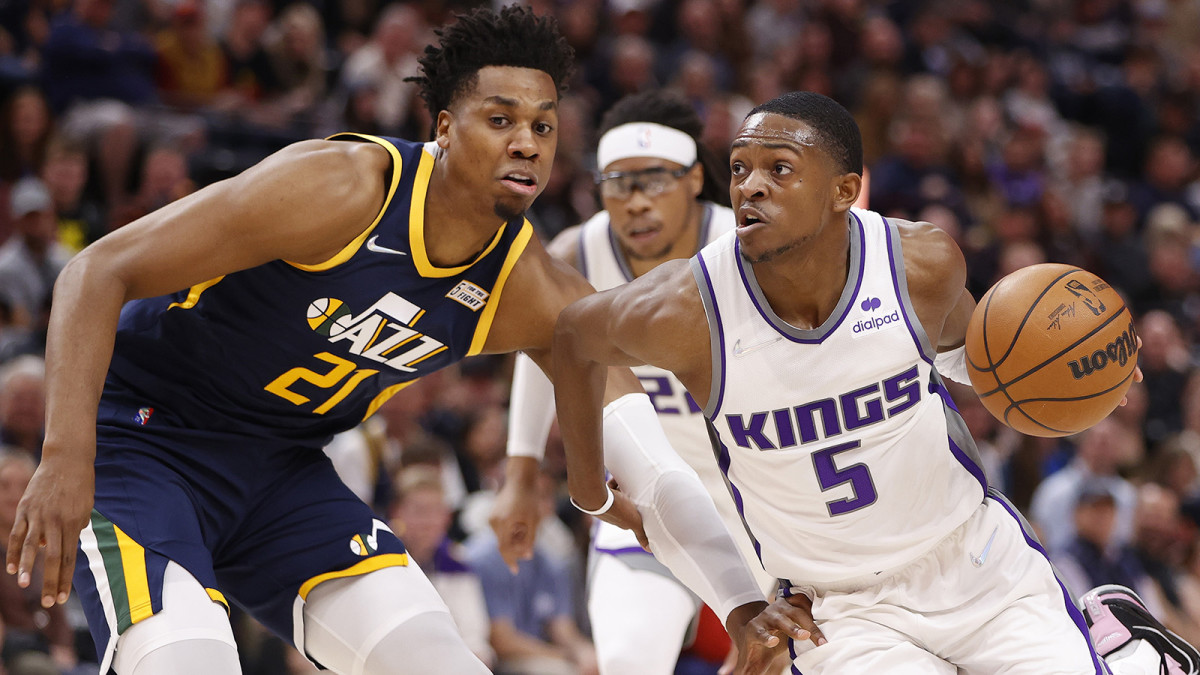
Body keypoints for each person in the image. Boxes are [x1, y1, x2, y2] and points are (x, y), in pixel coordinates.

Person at [6, 6, 772, 675]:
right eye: (500, 119)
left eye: (543, 125)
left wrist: (741, 604)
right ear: (443, 127)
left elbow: (661, 467)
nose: (528, 143)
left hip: (281, 473)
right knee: (191, 659)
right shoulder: (341, 188)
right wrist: (65, 455)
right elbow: (94, 272)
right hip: (146, 443)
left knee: (441, 661)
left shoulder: (526, 284)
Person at [549, 90, 1199, 674]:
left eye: (780, 169)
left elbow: (978, 359)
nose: (750, 186)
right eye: (741, 168)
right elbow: (572, 337)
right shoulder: (688, 308)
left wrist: (1087, 373)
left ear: (843, 190)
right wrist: (592, 494)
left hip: (974, 559)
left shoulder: (918, 262)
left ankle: (1122, 649)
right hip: (837, 605)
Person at [491, 89, 776, 675]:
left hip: (766, 506)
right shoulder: (578, 253)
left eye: (655, 180)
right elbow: (537, 349)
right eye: (619, 183)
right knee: (626, 660)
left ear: (696, 178)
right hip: (645, 505)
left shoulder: (752, 251)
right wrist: (520, 470)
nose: (637, 202)